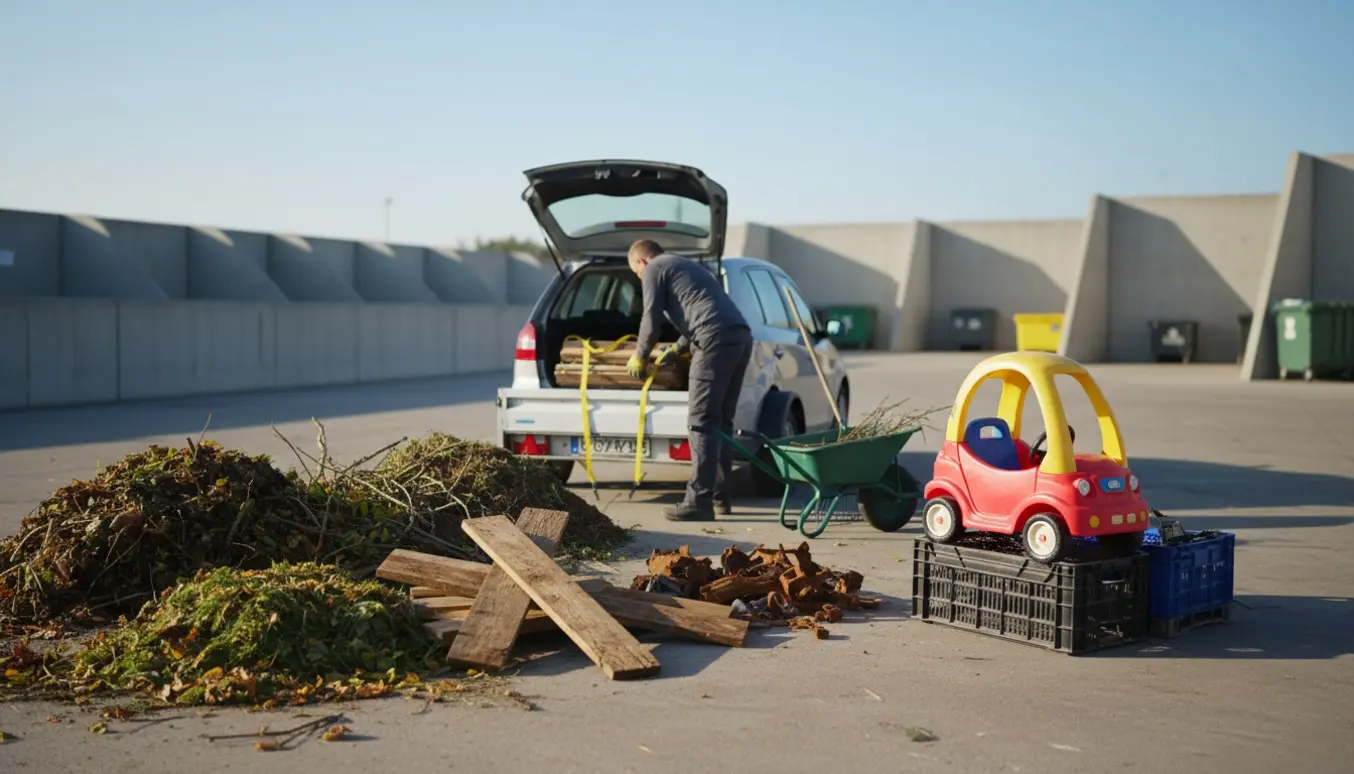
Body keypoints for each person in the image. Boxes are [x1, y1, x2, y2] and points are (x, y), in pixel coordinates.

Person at [624, 239, 752, 521]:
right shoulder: (684, 266)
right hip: (739, 336)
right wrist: (677, 349)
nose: (639, 277)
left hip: (714, 340)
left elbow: (651, 316)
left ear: (642, 261)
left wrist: (640, 355)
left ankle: (698, 502)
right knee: (721, 422)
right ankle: (720, 497)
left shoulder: (655, 268)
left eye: (636, 272)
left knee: (701, 422)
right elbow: (702, 311)